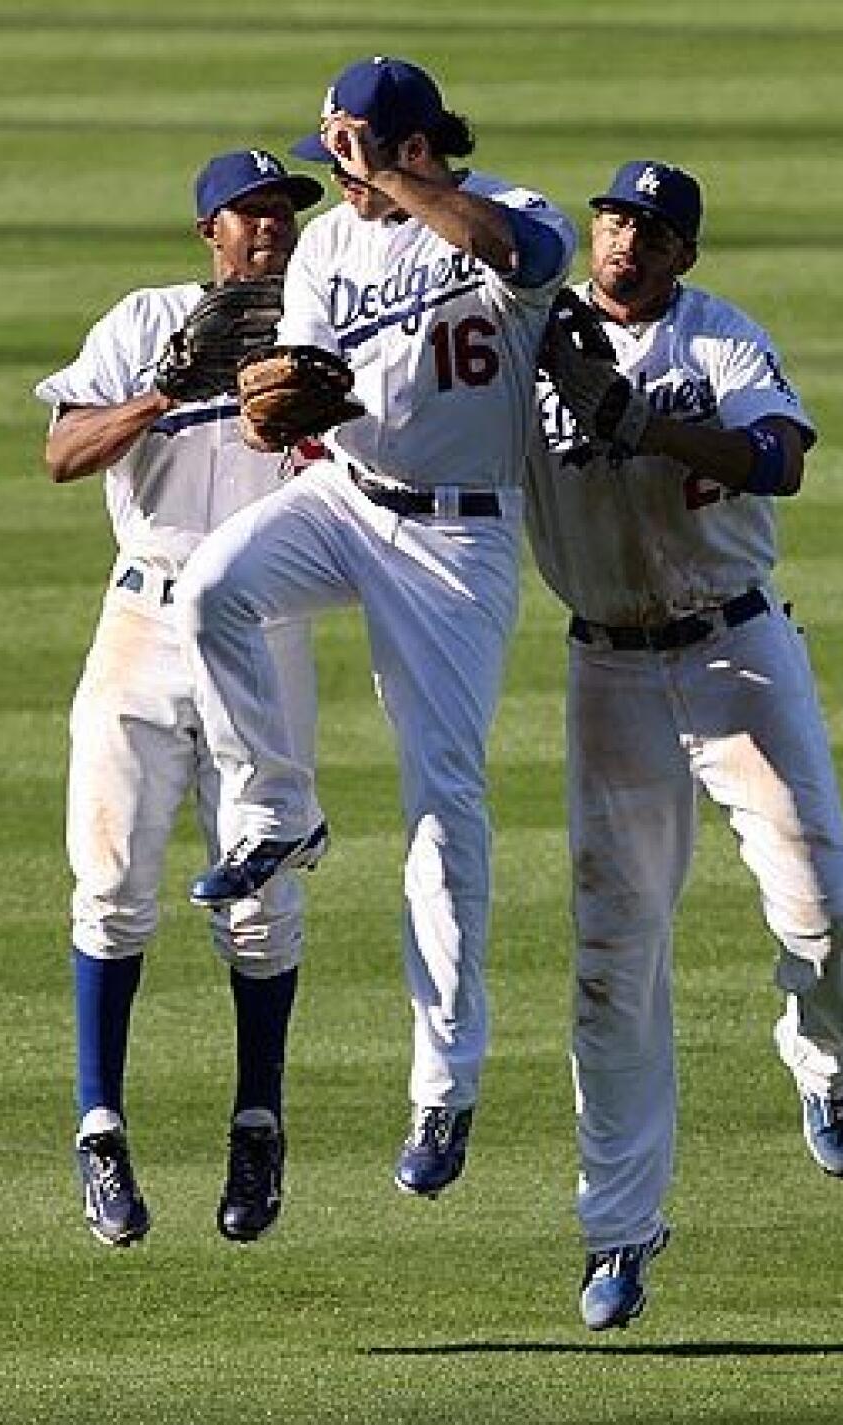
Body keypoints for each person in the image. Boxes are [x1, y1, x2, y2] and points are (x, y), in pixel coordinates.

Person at [176, 57, 575, 1199]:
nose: (333, 178)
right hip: (347, 499)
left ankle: (442, 1088)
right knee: (215, 591)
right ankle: (281, 811)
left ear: (411, 146)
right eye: (330, 155)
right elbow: (294, 390)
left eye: (350, 153)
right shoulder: (332, 243)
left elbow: (523, 260)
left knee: (444, 801)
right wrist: (270, 414)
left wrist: (400, 185)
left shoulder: (507, 211)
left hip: (459, 538)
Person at [526, 160, 843, 1330]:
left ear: (685, 258)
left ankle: (821, 1061)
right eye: (615, 219)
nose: (628, 240)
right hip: (607, 669)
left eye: (655, 231)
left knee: (825, 904)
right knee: (612, 960)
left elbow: (780, 458)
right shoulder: (533, 340)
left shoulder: (720, 340)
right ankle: (618, 1233)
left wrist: (646, 425)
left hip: (740, 651)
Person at [33, 148, 325, 1248]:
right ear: (209, 230)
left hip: (265, 631)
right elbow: (63, 453)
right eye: (249, 216)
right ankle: (100, 1128)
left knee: (264, 902)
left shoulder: (322, 327)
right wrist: (167, 389)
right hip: (143, 625)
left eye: (282, 214)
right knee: (110, 883)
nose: (270, 231)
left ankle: (259, 1120)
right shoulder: (143, 318)